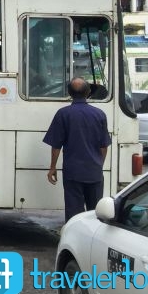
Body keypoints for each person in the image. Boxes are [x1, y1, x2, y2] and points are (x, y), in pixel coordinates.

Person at [43, 77, 112, 221]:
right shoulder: (99, 114)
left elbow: (56, 145)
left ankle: (75, 239)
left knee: (74, 212)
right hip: (94, 171)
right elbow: (103, 146)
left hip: (72, 172)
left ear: (69, 93)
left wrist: (52, 167)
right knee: (95, 213)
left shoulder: (63, 114)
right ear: (88, 93)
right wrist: (98, 164)